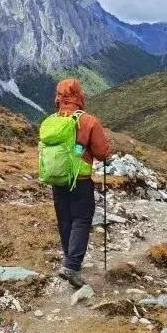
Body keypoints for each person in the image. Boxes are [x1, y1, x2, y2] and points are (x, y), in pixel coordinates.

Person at [50, 78, 109, 288]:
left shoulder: (52, 120)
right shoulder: (88, 121)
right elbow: (102, 153)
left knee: (65, 220)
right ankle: (72, 266)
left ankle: (68, 259)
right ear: (79, 96)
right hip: (80, 180)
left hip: (57, 179)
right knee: (81, 219)